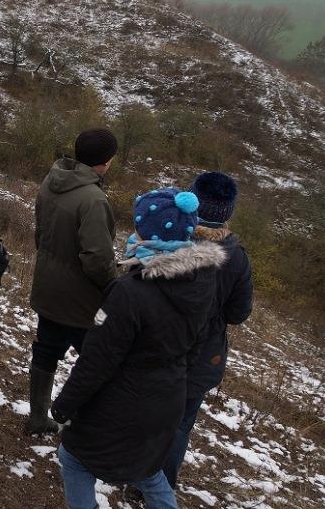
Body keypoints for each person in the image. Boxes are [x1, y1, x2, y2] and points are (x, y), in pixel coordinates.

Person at [51, 187, 224, 509]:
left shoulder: (130, 292)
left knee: (74, 459)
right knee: (148, 470)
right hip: (167, 401)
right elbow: (196, 346)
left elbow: (98, 359)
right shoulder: (203, 280)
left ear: (146, 231)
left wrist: (65, 404)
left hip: (121, 404)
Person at [161, 172, 253, 489]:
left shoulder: (171, 238)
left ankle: (130, 466)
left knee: (144, 406)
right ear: (227, 212)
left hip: (158, 343)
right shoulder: (237, 258)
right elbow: (238, 313)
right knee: (181, 423)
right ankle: (159, 486)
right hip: (202, 356)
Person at [26, 128, 118, 435]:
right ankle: (85, 427)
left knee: (46, 350)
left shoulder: (51, 180)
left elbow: (41, 235)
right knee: (95, 361)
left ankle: (37, 417)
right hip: (81, 300)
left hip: (48, 287)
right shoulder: (94, 199)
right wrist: (113, 287)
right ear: (106, 161)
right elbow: (97, 259)